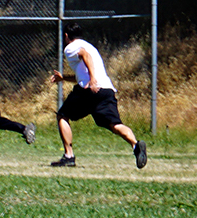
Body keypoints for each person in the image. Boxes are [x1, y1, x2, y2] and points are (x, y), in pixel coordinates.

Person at [47, 24, 146, 168]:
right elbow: (81, 74)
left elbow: (84, 55)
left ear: (67, 36)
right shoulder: (90, 46)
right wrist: (63, 78)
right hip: (106, 89)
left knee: (62, 115)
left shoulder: (71, 48)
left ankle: (69, 156)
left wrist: (93, 79)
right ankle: (136, 145)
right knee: (115, 125)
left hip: (90, 90)